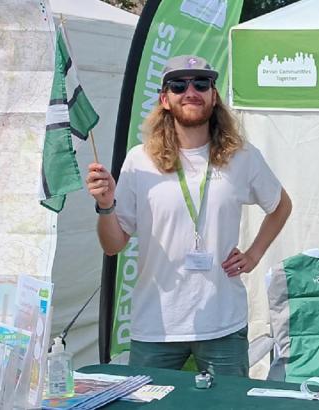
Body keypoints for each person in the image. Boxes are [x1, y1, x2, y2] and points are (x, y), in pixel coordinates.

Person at [86, 55, 292, 375]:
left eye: (201, 83)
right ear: (164, 99)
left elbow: (280, 206)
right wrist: (106, 204)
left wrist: (254, 254)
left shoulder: (243, 157)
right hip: (157, 325)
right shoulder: (139, 161)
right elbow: (113, 245)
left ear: (214, 95)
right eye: (179, 85)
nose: (190, 91)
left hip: (223, 323)